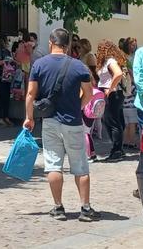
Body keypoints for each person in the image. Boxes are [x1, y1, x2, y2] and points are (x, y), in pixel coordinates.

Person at [24, 28, 99, 222]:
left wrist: (29, 117)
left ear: (51, 43)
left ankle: (58, 207)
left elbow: (31, 93)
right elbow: (89, 93)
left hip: (49, 121)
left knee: (53, 164)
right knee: (80, 166)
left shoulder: (39, 64)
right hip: (73, 121)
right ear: (67, 46)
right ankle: (85, 208)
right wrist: (78, 106)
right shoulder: (79, 66)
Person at [91, 40, 127, 162]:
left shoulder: (110, 61)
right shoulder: (111, 60)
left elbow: (118, 74)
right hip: (113, 93)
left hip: (111, 93)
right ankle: (118, 149)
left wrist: (110, 88)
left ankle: (117, 150)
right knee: (114, 121)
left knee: (111, 121)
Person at [0, 36, 15, 126]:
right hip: (1, 76)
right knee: (3, 96)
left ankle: (5, 116)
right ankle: (1, 117)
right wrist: (6, 61)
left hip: (7, 76)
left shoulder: (6, 51)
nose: (8, 42)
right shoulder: (0, 51)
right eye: (7, 41)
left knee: (6, 97)